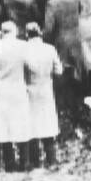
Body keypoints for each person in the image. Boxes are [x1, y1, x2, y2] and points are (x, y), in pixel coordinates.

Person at [0, 20, 32, 172]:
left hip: (1, 90)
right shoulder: (23, 46)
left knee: (4, 126)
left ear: (2, 32)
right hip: (18, 88)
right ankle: (24, 161)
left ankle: (9, 162)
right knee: (21, 124)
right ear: (15, 31)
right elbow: (30, 66)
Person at [23, 22, 62, 167]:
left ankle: (35, 160)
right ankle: (51, 159)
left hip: (30, 90)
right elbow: (59, 71)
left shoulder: (24, 50)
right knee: (47, 123)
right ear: (40, 32)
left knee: (32, 125)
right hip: (46, 88)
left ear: (27, 34)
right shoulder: (50, 49)